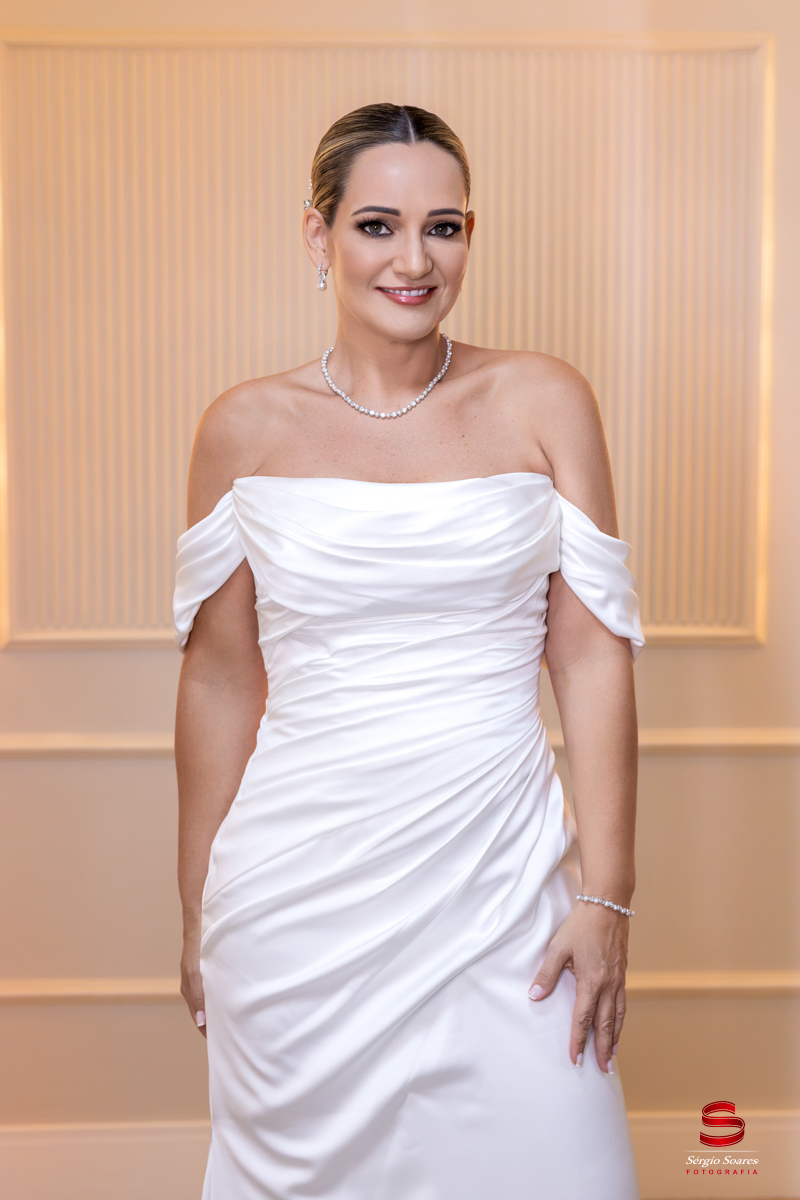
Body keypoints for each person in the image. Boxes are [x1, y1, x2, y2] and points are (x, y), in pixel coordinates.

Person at [173, 102, 644, 1200]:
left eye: (444, 227)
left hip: (500, 883)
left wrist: (608, 893)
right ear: (319, 235)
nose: (414, 260)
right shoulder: (242, 429)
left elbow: (589, 657)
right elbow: (220, 678)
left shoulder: (543, 401)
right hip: (295, 900)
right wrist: (197, 909)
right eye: (377, 225)